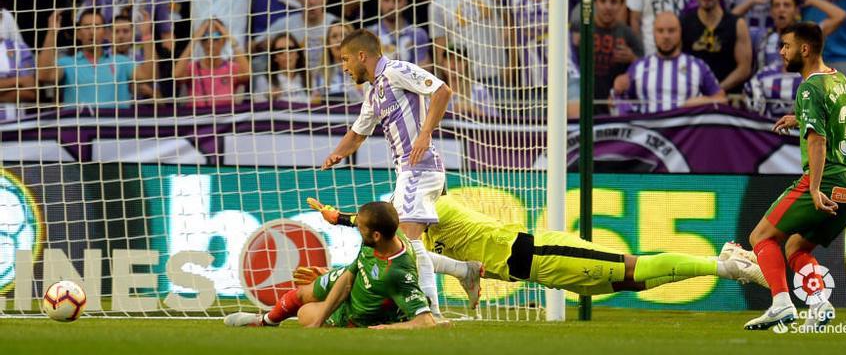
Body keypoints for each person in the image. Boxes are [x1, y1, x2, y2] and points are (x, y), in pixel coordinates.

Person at [306, 194, 767, 300]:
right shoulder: (419, 229)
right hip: (541, 273)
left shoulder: (437, 209)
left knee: (633, 267)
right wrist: (342, 219)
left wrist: (347, 220)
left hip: (540, 252)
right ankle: (720, 264)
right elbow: (389, 226)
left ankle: (724, 264)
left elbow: (391, 227)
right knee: (632, 281)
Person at [321, 29, 481, 318]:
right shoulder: (373, 92)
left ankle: (431, 314)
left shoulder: (397, 70)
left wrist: (424, 134)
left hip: (420, 166)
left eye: (345, 59)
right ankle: (464, 271)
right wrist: (338, 153)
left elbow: (442, 91)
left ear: (362, 55)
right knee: (401, 245)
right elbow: (358, 133)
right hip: (408, 171)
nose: (343, 67)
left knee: (411, 242)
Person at [745, 22, 846, 330]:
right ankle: (819, 304)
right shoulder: (838, 79)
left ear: (805, 49)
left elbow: (818, 140)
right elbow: (835, 119)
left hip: (827, 178)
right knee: (795, 247)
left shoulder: (809, 86)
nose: (782, 52)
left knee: (761, 237)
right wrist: (798, 118)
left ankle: (782, 303)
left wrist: (813, 188)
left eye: (786, 46)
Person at [223, 202, 437, 329]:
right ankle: (265, 321)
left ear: (376, 235)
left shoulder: (397, 272)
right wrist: (336, 217)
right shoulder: (383, 233)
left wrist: (389, 329)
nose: (357, 229)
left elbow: (426, 322)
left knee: (304, 313)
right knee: (300, 294)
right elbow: (356, 222)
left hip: (356, 313)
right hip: (353, 277)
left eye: (360, 228)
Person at [745, 0, 846, 117]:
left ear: (796, 10)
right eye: (776, 5)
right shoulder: (760, 36)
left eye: (786, 5)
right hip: (768, 103)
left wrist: (814, 1)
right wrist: (751, 1)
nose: (781, 9)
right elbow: (730, 25)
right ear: (771, 11)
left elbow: (840, 16)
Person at [611, 12, 727, 115]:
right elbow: (615, 101)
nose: (666, 36)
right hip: (648, 135)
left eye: (671, 31)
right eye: (660, 31)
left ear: (680, 33)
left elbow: (722, 100)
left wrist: (700, 102)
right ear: (653, 34)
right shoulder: (638, 67)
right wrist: (617, 89)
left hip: (686, 136)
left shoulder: (697, 66)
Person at [37, 9, 155, 109]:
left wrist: (147, 35)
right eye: (87, 27)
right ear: (78, 33)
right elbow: (44, 75)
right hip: (79, 131)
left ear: (105, 33)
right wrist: (52, 33)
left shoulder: (121, 61)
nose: (92, 32)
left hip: (117, 130)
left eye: (97, 27)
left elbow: (148, 75)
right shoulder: (67, 63)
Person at [680, 0, 753, 94]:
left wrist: (717, 90)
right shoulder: (683, 23)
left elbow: (744, 69)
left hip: (728, 97)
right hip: (693, 96)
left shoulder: (737, 24)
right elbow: (678, 63)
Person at [173, 18, 251, 109]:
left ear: (224, 40)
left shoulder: (231, 68)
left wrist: (230, 37)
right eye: (205, 37)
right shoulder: (193, 68)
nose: (210, 41)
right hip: (198, 120)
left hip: (226, 121)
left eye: (216, 36)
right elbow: (176, 76)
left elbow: (247, 75)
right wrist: (194, 40)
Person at [592, 0, 643, 114]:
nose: (608, 7)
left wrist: (632, 58)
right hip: (585, 100)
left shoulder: (628, 33)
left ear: (621, 5)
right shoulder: (582, 30)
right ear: (595, 3)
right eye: (603, 1)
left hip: (617, 103)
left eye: (614, 2)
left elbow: (645, 67)